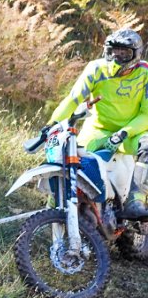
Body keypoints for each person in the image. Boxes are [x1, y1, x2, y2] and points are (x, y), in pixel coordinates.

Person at [47, 28, 148, 218]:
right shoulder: (96, 68)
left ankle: (136, 199)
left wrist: (124, 132)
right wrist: (52, 125)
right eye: (113, 50)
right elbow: (73, 99)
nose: (117, 56)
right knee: (68, 162)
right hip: (97, 131)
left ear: (136, 54)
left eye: (124, 52)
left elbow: (146, 114)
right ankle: (52, 211)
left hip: (131, 134)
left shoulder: (145, 73)